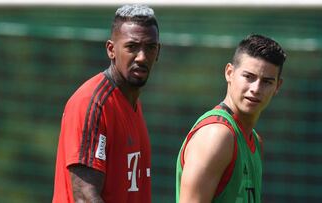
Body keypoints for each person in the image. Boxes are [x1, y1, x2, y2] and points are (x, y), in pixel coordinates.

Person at [52, 4, 160, 203]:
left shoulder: (133, 104)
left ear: (158, 52)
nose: (142, 57)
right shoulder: (92, 104)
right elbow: (85, 196)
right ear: (111, 49)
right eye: (132, 47)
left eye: (150, 47)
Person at [176, 34, 286, 203]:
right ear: (229, 73)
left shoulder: (255, 141)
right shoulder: (217, 135)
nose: (256, 89)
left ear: (277, 86)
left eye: (267, 82)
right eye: (249, 76)